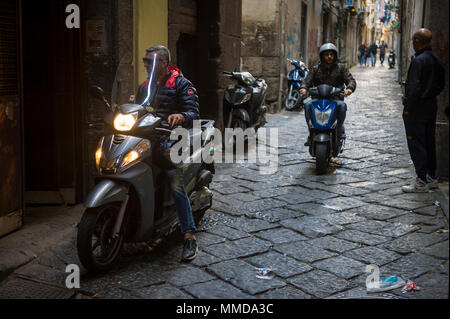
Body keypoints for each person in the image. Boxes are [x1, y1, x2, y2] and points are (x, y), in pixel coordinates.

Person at [136, 45, 200, 261]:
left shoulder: (182, 84)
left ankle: (189, 235)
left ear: (163, 63)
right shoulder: (144, 86)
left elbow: (193, 111)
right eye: (144, 60)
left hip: (170, 140)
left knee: (175, 182)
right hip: (145, 140)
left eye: (150, 61)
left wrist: (181, 116)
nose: (145, 64)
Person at [401, 29, 446, 193]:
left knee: (416, 143)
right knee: (429, 141)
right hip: (430, 106)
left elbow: (413, 88)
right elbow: (441, 83)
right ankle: (431, 177)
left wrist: (407, 106)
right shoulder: (436, 59)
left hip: (417, 109)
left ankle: (421, 180)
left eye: (414, 40)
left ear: (418, 41)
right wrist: (430, 94)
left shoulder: (418, 61)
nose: (412, 43)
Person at [300, 43, 356, 146]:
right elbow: (306, 80)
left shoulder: (341, 68)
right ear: (322, 56)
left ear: (335, 55)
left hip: (335, 99)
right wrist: (303, 88)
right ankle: (311, 132)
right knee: (307, 105)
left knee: (342, 106)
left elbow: (350, 80)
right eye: (326, 54)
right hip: (318, 99)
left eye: (331, 54)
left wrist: (349, 89)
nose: (329, 57)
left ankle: (338, 130)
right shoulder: (316, 69)